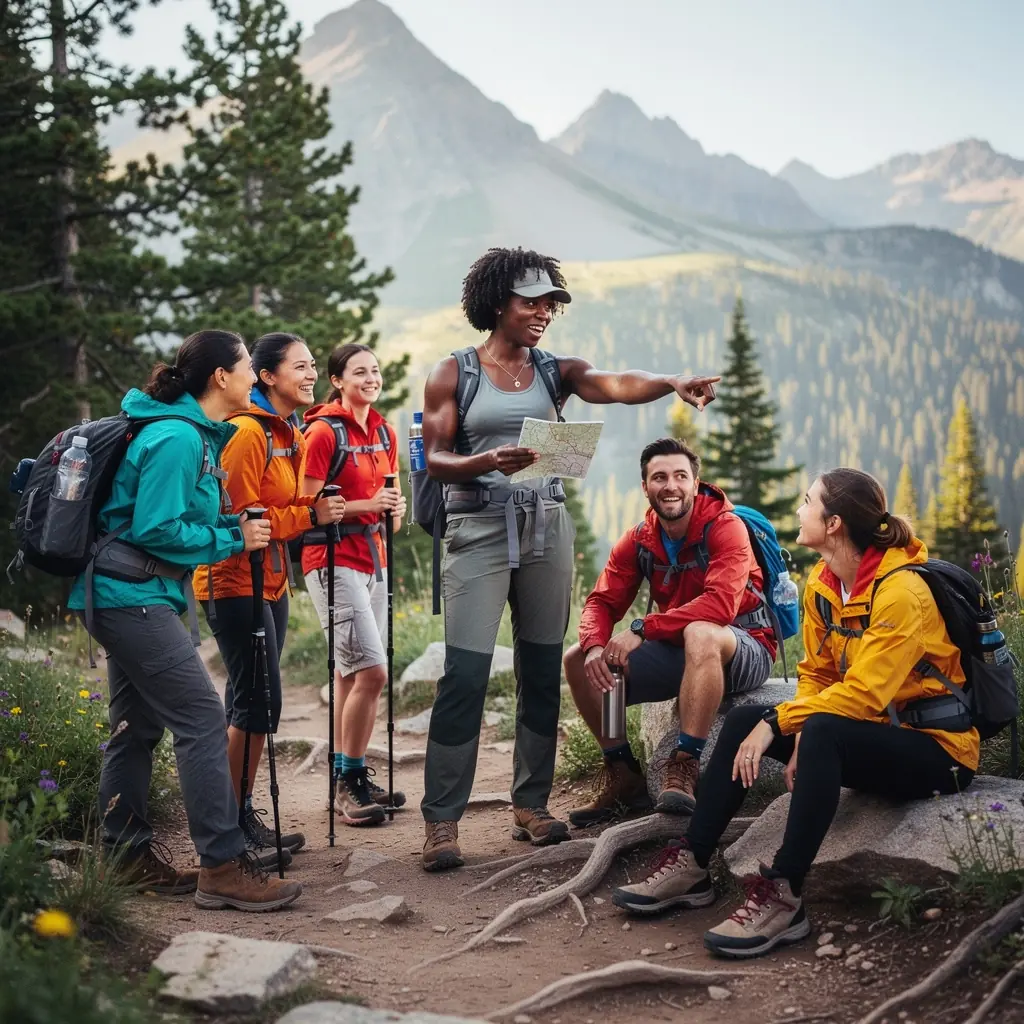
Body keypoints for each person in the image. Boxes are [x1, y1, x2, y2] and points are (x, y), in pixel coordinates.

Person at [419, 246, 720, 872]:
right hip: (476, 528)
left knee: (539, 668)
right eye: (531, 302)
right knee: (465, 676)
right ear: (497, 303)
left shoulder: (557, 371)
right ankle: (442, 821)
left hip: (545, 528)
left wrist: (670, 383)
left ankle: (531, 804)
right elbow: (433, 456)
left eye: (550, 303)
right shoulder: (454, 373)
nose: (543, 313)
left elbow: (611, 385)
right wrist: (485, 461)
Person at [610, 468, 979, 959]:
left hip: (937, 749)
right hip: (867, 735)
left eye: (809, 501)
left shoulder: (901, 593)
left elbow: (866, 694)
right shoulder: (825, 585)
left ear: (834, 524)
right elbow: (818, 677)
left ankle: (785, 895)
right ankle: (693, 864)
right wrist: (795, 729)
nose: (798, 510)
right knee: (749, 720)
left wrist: (783, 724)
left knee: (797, 725)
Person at [68, 329, 303, 912]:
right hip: (131, 595)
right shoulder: (176, 437)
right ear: (221, 378)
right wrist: (234, 535)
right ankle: (221, 865)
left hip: (133, 592)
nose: (254, 376)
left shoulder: (187, 432)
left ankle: (125, 858)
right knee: (201, 716)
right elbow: (156, 529)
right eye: (249, 366)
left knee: (136, 726)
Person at [564, 437, 776, 827]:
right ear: (645, 487)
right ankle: (624, 773)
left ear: (696, 483)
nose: (671, 485)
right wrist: (596, 646)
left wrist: (643, 629)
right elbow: (601, 602)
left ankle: (685, 764)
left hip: (743, 644)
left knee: (701, 632)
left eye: (681, 476)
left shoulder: (726, 528)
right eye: (659, 477)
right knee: (579, 659)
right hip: (680, 650)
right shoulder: (640, 539)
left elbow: (720, 606)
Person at [194, 332, 347, 862]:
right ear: (267, 377)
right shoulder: (246, 433)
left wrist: (316, 502)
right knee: (256, 699)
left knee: (258, 699)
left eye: (312, 366)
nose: (311, 375)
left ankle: (238, 813)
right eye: (301, 367)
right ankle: (230, 822)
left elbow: (284, 500)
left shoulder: (290, 431)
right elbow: (238, 515)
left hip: (272, 581)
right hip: (233, 580)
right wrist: (310, 515)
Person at [302, 343, 406, 827]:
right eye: (359, 372)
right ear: (337, 381)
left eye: (376, 371)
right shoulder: (323, 432)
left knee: (350, 674)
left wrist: (396, 512)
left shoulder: (385, 431)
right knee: (373, 674)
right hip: (331, 560)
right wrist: (370, 508)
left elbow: (393, 514)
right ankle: (351, 780)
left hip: (373, 561)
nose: (371, 378)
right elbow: (305, 507)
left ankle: (348, 778)